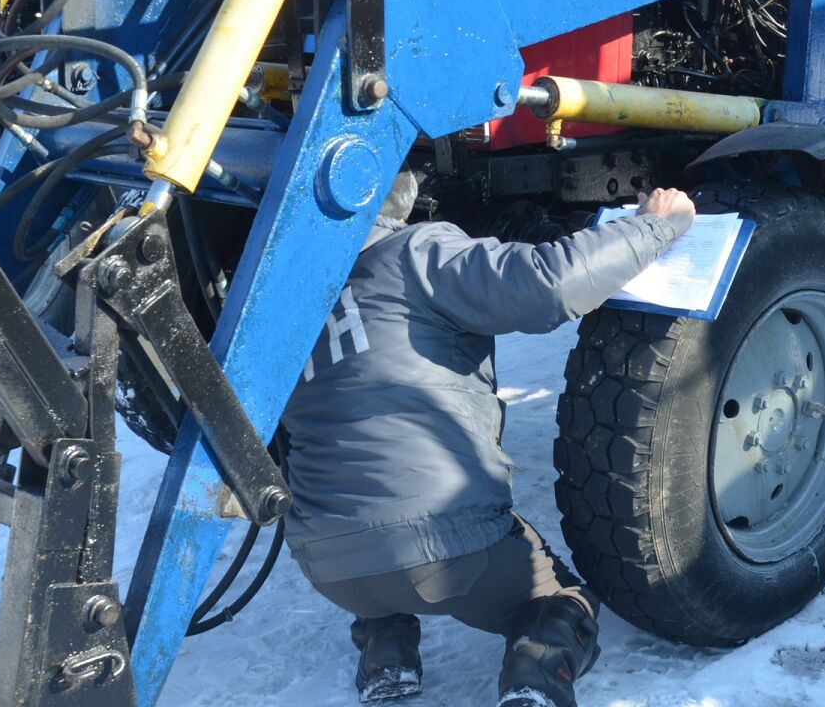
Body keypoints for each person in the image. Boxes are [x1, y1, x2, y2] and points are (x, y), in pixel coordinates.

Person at [280, 172, 697, 707]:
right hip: (444, 554)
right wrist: (653, 227)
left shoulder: (289, 302)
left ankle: (386, 658)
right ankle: (534, 679)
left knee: (373, 523)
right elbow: (550, 283)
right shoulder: (416, 251)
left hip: (329, 567)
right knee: (561, 600)